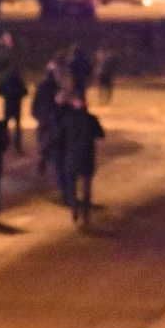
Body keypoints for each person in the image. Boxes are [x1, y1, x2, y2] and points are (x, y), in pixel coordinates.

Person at [59, 95, 104, 228]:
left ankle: (74, 209)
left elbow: (60, 136)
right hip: (87, 156)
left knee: (72, 185)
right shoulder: (91, 119)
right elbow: (101, 134)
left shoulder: (68, 119)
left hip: (71, 156)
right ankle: (86, 214)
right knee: (86, 188)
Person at [32, 62, 62, 178]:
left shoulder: (42, 87)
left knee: (43, 138)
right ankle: (49, 159)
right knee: (54, 138)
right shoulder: (57, 87)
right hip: (53, 117)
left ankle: (43, 157)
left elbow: (36, 102)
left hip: (43, 117)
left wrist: (36, 114)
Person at [0, 65, 28, 154]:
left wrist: (6, 95)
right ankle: (17, 147)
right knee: (17, 128)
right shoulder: (19, 81)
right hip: (16, 106)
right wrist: (18, 95)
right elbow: (25, 92)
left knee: (5, 127)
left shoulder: (5, 80)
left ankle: (4, 145)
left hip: (8, 105)